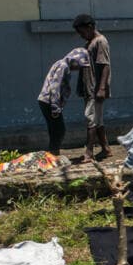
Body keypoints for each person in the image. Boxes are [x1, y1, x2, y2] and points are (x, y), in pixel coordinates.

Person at [37, 48, 91, 156]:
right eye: (79, 65)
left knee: (54, 129)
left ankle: (53, 153)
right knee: (60, 130)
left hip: (46, 101)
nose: (78, 68)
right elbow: (55, 86)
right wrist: (55, 106)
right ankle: (53, 154)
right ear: (75, 59)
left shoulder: (61, 64)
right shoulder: (63, 66)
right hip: (49, 101)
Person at [73, 14, 112, 161]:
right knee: (97, 120)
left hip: (95, 88)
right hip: (89, 88)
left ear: (90, 27)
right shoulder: (90, 43)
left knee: (91, 119)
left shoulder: (100, 41)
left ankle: (89, 152)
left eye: (82, 32)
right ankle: (106, 149)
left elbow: (105, 65)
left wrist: (101, 88)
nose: (81, 36)